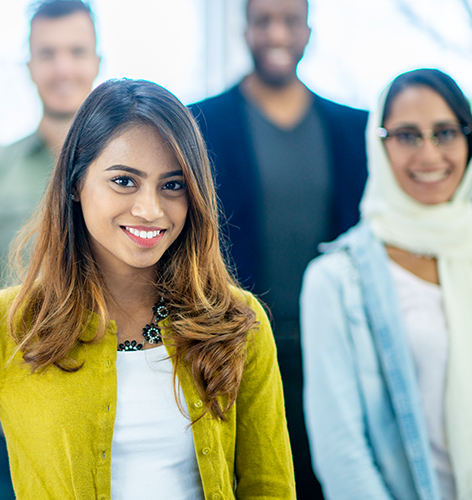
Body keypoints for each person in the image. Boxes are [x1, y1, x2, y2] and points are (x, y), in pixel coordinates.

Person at [0, 79, 295, 499]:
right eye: (124, 181)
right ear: (75, 183)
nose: (150, 209)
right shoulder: (7, 325)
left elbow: (270, 490)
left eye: (173, 185)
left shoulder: (237, 321)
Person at [187, 0, 367, 496]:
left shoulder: (353, 129)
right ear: (244, 28)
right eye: (263, 20)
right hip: (236, 350)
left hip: (334, 352)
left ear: (308, 27)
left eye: (290, 20)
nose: (277, 33)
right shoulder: (201, 123)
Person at [0, 1, 100, 497]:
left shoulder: (142, 181)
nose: (63, 68)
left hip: (114, 415)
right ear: (28, 64)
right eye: (47, 53)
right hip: (7, 425)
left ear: (98, 59)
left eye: (77, 51)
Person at [301, 68, 472, 500]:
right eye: (407, 135)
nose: (430, 154)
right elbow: (342, 457)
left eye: (446, 132)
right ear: (378, 145)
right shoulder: (337, 281)